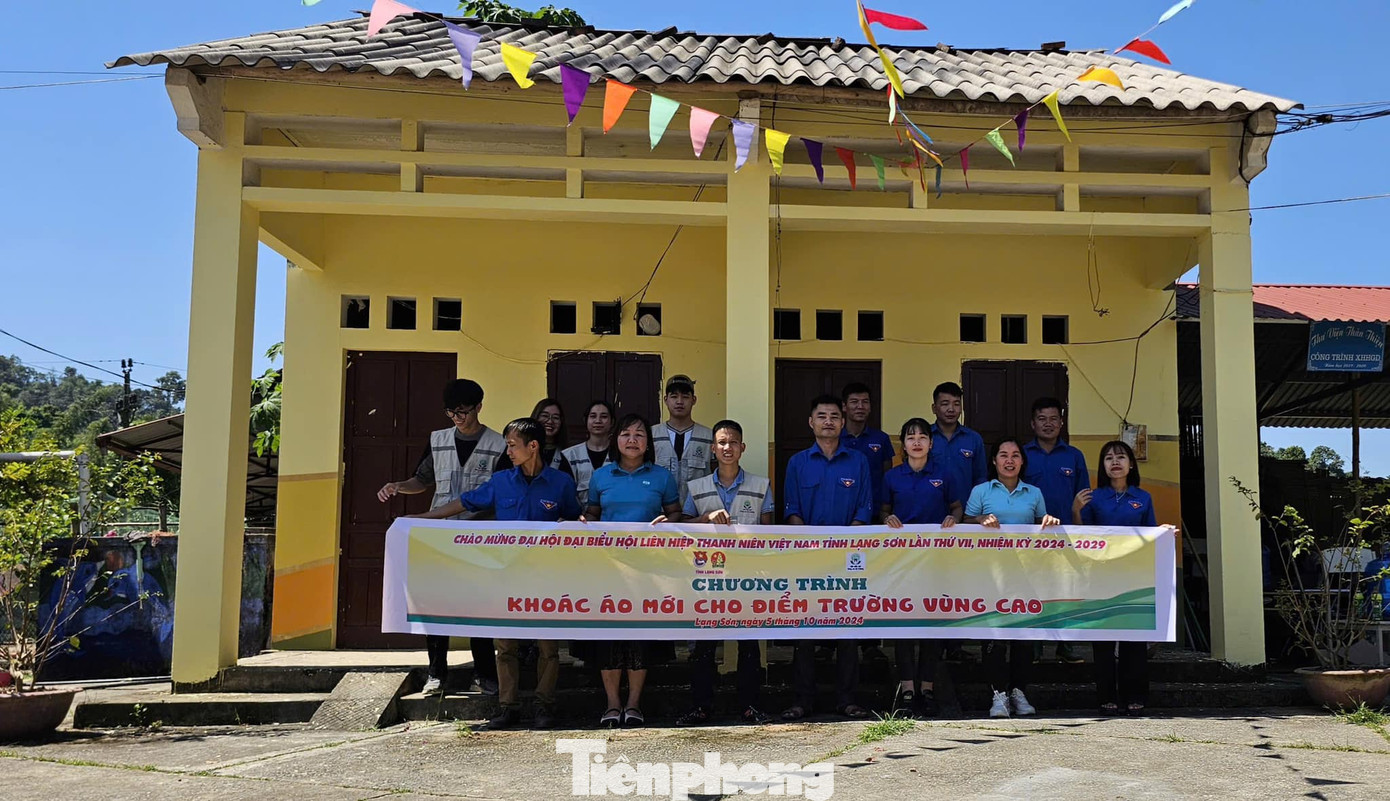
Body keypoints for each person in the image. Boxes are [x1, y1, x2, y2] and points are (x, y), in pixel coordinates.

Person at [410, 418, 581, 729]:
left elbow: (574, 518)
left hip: (546, 578)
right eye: (507, 445)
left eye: (513, 445)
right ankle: (507, 707)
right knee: (505, 646)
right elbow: (463, 503)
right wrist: (422, 517)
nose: (508, 451)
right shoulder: (501, 481)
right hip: (506, 578)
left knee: (548, 648)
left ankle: (544, 707)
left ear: (533, 447)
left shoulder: (561, 483)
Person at [376, 378, 509, 698]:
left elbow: (501, 491)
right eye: (451, 413)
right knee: (436, 604)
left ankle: (485, 674)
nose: (457, 418)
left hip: (480, 535)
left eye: (463, 412)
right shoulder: (438, 440)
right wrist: (398, 486)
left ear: (479, 407)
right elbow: (421, 481)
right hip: (440, 535)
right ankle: (436, 675)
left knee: (479, 606)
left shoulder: (498, 444)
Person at [582, 413, 683, 727]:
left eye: (639, 434)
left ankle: (634, 704)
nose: (632, 439)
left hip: (648, 568)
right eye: (625, 434)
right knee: (608, 638)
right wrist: (586, 523)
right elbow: (592, 514)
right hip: (608, 567)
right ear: (616, 440)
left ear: (648, 443)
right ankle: (612, 704)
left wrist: (670, 522)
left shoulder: (662, 477)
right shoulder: (601, 476)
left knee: (640, 638)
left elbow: (675, 514)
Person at [781, 395, 875, 721]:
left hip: (847, 560)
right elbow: (791, 510)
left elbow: (865, 507)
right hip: (808, 559)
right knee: (804, 632)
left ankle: (847, 698)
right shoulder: (797, 463)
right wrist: (810, 547)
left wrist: (846, 543)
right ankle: (802, 700)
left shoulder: (859, 461)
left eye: (835, 416)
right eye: (822, 416)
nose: (829, 421)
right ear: (811, 422)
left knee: (848, 631)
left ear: (843, 420)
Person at [676, 419, 775, 726]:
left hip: (748, 577)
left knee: (749, 646)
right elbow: (682, 523)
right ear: (713, 448)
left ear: (742, 448)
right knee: (705, 646)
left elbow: (770, 530)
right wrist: (706, 518)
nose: (727, 448)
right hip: (708, 577)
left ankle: (750, 706)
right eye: (721, 442)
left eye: (733, 442)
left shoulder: (761, 485)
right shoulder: (698, 487)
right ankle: (701, 707)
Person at [965, 438, 1061, 719]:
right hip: (990, 575)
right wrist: (980, 519)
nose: (1009, 460)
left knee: (1022, 636)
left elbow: (1043, 524)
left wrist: (1050, 521)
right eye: (1003, 455)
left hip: (1025, 574)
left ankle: (1019, 691)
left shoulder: (1034, 493)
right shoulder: (981, 491)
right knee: (994, 636)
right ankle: (998, 695)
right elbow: (965, 524)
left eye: (1015, 455)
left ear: (1022, 462)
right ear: (994, 461)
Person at [1074, 439, 1165, 716]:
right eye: (1108, 458)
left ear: (1131, 464)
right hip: (1101, 576)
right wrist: (1076, 510)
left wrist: (1165, 534)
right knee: (1103, 641)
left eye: (1121, 457)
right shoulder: (1093, 497)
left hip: (1134, 577)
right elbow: (1083, 538)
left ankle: (1135, 694)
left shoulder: (1143, 497)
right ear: (1102, 466)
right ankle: (1106, 695)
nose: (1115, 462)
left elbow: (1150, 535)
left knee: (1133, 641)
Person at [882, 417, 962, 717]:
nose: (917, 441)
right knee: (904, 625)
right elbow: (884, 509)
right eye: (910, 436)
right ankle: (907, 690)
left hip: (936, 559)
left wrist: (954, 517)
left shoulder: (944, 473)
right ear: (903, 444)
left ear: (931, 443)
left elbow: (955, 505)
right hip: (901, 561)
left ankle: (927, 688)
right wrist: (886, 519)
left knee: (931, 625)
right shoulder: (892, 476)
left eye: (922, 436)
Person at [1022, 396, 1090, 664]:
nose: (1047, 424)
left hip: (1066, 533)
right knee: (1035, 589)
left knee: (1065, 589)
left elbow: (1084, 496)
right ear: (1032, 423)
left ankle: (1065, 643)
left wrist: (1081, 528)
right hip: (1032, 536)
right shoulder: (1023, 454)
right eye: (1042, 419)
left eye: (1053, 419)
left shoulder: (1074, 456)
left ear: (1061, 423)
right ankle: (1036, 644)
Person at [652, 374, 714, 507]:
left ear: (694, 400)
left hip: (697, 513)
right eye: (674, 396)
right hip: (660, 514)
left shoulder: (708, 437)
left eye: (685, 396)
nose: (679, 401)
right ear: (665, 399)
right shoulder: (652, 435)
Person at [928, 382, 988, 509]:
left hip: (966, 510)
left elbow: (980, 478)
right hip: (930, 510)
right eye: (945, 404)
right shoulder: (924, 437)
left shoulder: (973, 439)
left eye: (956, 404)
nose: (951, 409)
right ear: (934, 408)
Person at [559, 400, 614, 506]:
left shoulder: (620, 453)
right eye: (593, 416)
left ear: (612, 422)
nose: (598, 421)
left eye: (604, 416)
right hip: (579, 519)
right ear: (586, 420)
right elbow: (565, 492)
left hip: (611, 518)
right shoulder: (571, 455)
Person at [530, 398, 570, 472]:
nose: (550, 421)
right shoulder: (522, 448)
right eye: (545, 416)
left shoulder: (567, 453)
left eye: (555, 417)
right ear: (536, 417)